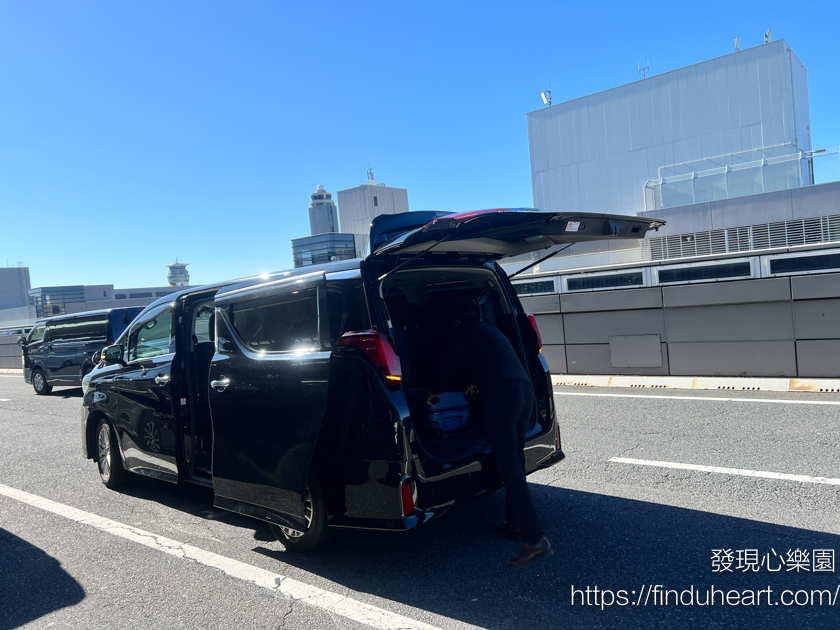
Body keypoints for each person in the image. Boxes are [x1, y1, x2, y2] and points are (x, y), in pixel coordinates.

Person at [425, 300, 552, 568]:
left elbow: (450, 362)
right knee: (514, 460)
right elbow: (490, 361)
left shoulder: (464, 331)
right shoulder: (488, 329)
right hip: (523, 391)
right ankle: (514, 523)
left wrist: (431, 390)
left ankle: (535, 538)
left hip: (504, 397)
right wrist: (476, 380)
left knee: (508, 465)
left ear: (456, 321)